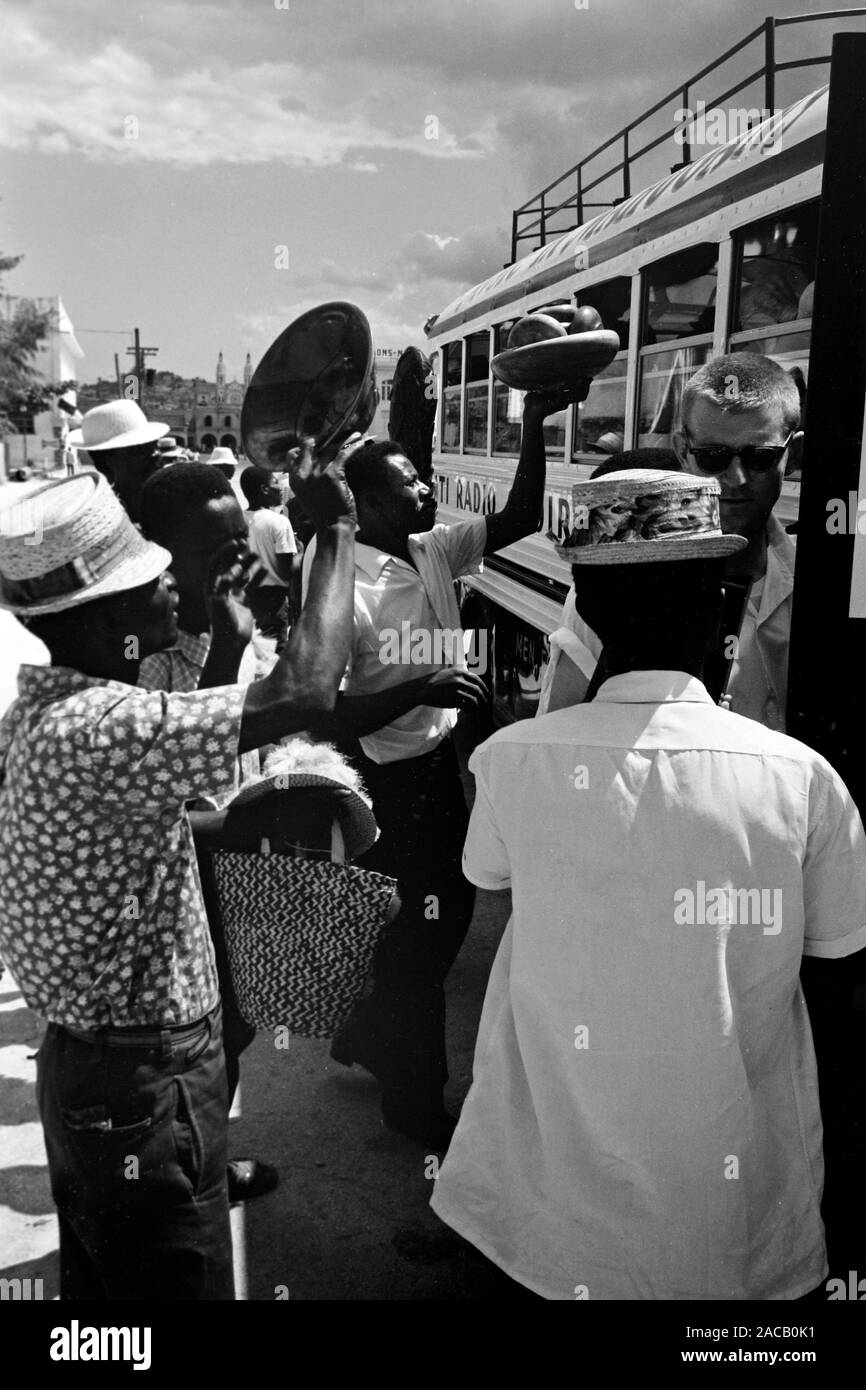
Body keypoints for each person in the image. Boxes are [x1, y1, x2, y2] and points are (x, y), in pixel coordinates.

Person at [431, 466, 866, 1300]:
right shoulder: (804, 779)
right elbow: (835, 952)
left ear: (584, 614)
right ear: (718, 610)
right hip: (730, 1215)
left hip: (541, 1210)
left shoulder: (511, 762)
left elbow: (489, 872)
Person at [0, 442, 355, 1300]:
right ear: (103, 608)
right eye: (156, 573)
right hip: (143, 1081)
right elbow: (307, 690)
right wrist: (335, 531)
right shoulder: (104, 727)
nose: (172, 586)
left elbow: (188, 776)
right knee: (169, 1284)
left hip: (96, 1071)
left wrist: (226, 640)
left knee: (109, 1290)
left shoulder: (52, 704)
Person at [308, 389, 574, 1149]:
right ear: (363, 505)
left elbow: (522, 516)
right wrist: (419, 687)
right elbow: (321, 714)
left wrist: (532, 427)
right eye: (410, 483)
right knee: (418, 946)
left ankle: (365, 1033)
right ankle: (415, 1104)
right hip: (378, 782)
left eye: (424, 479)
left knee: (440, 920)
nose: (428, 489)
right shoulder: (338, 585)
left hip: (435, 771)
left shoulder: (432, 548)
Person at [137, 460, 278, 1204]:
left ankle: (204, 1156)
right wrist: (228, 651)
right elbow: (185, 781)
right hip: (178, 881)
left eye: (240, 539)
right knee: (199, 1037)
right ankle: (190, 1175)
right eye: (216, 548)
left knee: (239, 1024)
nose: (238, 560)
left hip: (234, 860)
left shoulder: (227, 617)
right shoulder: (140, 652)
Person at [537, 353, 801, 730]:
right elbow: (560, 736)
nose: (737, 478)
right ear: (681, 451)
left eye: (760, 457)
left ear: (793, 455)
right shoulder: (622, 585)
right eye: (713, 457)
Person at [68, 399, 170, 522]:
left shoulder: (174, 503)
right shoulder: (103, 520)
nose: (156, 454)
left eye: (154, 445)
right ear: (106, 464)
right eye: (138, 450)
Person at [239, 464, 302, 649]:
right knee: (275, 648)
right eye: (276, 483)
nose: (281, 488)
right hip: (273, 600)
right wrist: (301, 553)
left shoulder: (238, 519)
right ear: (264, 489)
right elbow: (286, 570)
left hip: (246, 595)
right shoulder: (279, 522)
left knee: (253, 649)